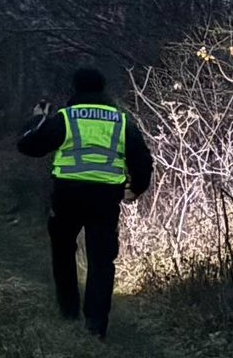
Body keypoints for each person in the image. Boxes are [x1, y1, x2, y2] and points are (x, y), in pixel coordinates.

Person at [16, 66, 153, 341]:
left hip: (68, 195)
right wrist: (135, 189)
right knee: (102, 260)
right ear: (103, 89)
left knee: (63, 251)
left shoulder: (65, 118)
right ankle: (95, 325)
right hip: (105, 197)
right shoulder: (121, 120)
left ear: (75, 89)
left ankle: (68, 312)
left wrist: (37, 120)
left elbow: (28, 146)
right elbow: (142, 161)